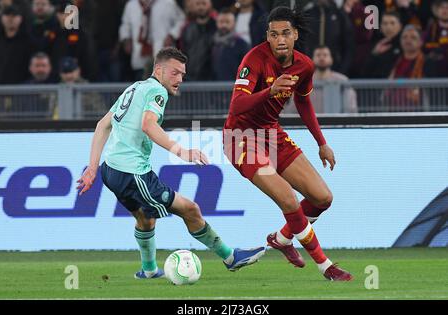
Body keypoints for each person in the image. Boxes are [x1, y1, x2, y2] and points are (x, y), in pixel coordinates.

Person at [76, 47, 265, 279]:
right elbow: (148, 124)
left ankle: (148, 270)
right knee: (190, 209)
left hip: (111, 170)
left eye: (183, 75)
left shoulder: (135, 87)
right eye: (175, 73)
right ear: (158, 70)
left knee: (145, 218)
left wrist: (93, 168)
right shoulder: (157, 90)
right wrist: (181, 151)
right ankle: (230, 257)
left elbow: (102, 125)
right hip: (132, 173)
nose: (179, 79)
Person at [223, 6, 353, 281]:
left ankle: (282, 239)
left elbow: (304, 101)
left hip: (272, 134)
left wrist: (322, 143)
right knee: (288, 198)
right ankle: (325, 266)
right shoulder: (254, 59)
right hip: (240, 138)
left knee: (322, 197)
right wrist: (269, 91)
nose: (279, 39)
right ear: (267, 37)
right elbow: (236, 106)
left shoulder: (304, 65)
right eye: (273, 34)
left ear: (295, 35)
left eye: (285, 33)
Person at [212, 8, 250, 80]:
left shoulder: (242, 45)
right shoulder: (212, 43)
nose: (224, 25)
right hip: (214, 88)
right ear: (216, 23)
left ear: (234, 23)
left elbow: (247, 70)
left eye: (227, 22)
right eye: (221, 22)